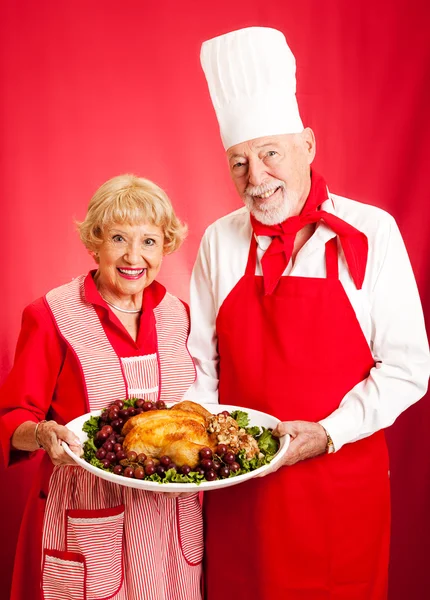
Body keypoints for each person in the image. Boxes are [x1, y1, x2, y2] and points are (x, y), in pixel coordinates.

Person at [187, 27, 430, 599]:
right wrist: (206, 441)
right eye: (239, 162)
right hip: (240, 495)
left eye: (270, 153)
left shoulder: (373, 232)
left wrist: (328, 433)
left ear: (308, 144)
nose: (256, 178)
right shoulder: (218, 242)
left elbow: (406, 369)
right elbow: (199, 366)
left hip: (340, 490)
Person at [0, 174, 203, 600]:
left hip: (172, 528)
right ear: (94, 243)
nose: (134, 256)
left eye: (149, 241)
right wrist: (40, 434)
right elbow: (12, 416)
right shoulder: (51, 314)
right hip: (90, 515)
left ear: (165, 246)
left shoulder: (182, 316)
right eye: (118, 238)